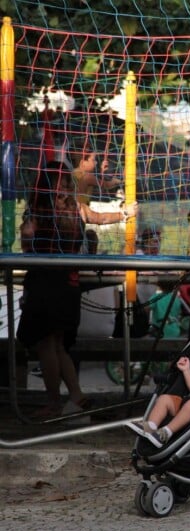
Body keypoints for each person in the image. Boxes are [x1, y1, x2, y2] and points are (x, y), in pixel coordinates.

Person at [17, 165, 89, 418]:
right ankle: (77, 395)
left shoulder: (39, 211)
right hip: (69, 284)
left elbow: (26, 241)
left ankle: (54, 403)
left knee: (46, 344)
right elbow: (96, 220)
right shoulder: (75, 209)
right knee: (58, 345)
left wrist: (27, 231)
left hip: (45, 282)